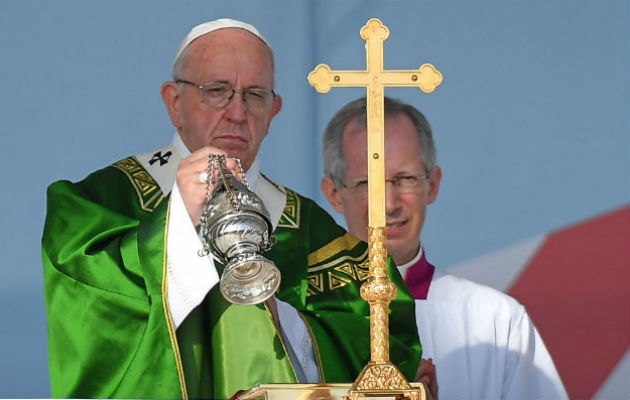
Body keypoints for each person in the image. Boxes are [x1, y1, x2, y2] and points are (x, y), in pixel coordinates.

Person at [41, 20, 428, 399]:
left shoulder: (308, 226)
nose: (237, 113)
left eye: (254, 95)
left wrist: (281, 320)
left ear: (273, 111)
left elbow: (382, 341)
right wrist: (177, 222)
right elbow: (89, 316)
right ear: (175, 103)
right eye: (217, 91)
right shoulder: (100, 203)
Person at [320, 96, 569, 400]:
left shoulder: (496, 323)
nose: (389, 203)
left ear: (432, 185)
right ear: (333, 194)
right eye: (368, 183)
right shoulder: (297, 320)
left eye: (406, 179)